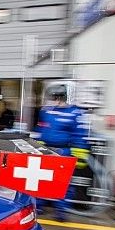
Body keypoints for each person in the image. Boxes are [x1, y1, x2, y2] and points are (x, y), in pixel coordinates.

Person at [35, 85, 90, 220]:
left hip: (64, 151)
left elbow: (79, 135)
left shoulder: (75, 113)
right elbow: (41, 130)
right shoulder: (46, 111)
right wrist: (38, 147)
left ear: (59, 98)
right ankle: (38, 206)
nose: (50, 101)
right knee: (42, 180)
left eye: (52, 98)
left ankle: (62, 211)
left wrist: (80, 156)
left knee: (63, 182)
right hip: (46, 150)